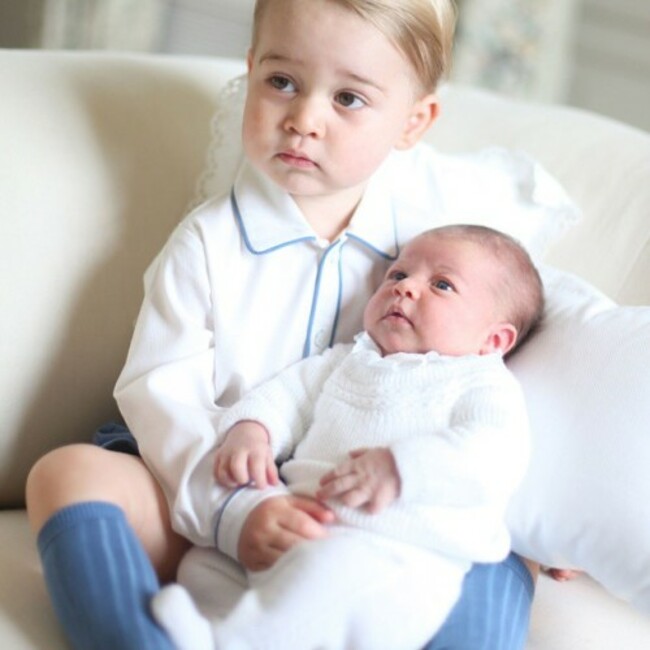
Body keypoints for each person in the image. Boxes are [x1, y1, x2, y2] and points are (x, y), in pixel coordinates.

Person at [25, 1, 555, 648]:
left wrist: (558, 506)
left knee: (501, 549)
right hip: (206, 478)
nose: (304, 120)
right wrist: (236, 514)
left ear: (413, 122)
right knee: (67, 475)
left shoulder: (433, 238)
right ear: (250, 72)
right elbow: (161, 395)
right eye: (281, 83)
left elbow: (516, 329)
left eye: (349, 99)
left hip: (369, 503)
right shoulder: (207, 244)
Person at [151, 224, 542, 650]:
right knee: (204, 564)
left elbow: (494, 455)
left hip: (394, 561)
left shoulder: (480, 383)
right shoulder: (347, 359)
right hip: (299, 531)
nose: (406, 287)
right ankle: (222, 624)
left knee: (330, 575)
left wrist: (401, 468)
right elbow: (287, 396)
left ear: (494, 340)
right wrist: (252, 431)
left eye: (442, 284)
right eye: (397, 274)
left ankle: (231, 642)